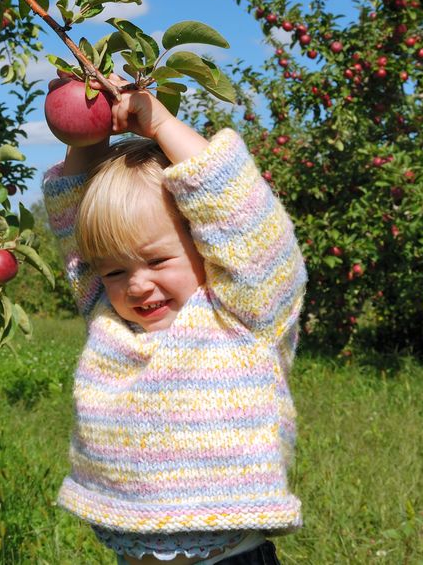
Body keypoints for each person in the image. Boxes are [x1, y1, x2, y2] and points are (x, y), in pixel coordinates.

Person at [41, 75, 307, 565]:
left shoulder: (242, 315)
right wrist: (89, 130)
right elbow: (73, 223)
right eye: (116, 270)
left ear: (205, 244)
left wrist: (160, 122)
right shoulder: (110, 317)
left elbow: (244, 216)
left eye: (157, 261)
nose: (137, 285)